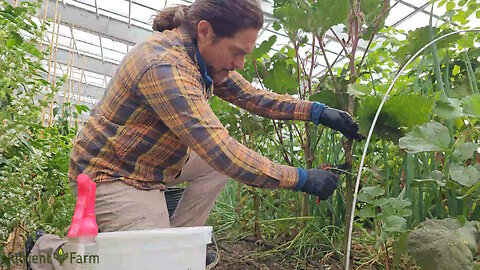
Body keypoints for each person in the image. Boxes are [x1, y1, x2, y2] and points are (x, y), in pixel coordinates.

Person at [26, 0, 362, 269]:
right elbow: (223, 152)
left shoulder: (202, 56)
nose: (242, 63)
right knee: (136, 261)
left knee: (172, 238)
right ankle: (46, 252)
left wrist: (317, 112)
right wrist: (300, 178)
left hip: (152, 160)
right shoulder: (165, 67)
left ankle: (179, 243)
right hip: (113, 173)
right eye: (238, 51)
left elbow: (251, 96)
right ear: (205, 31)